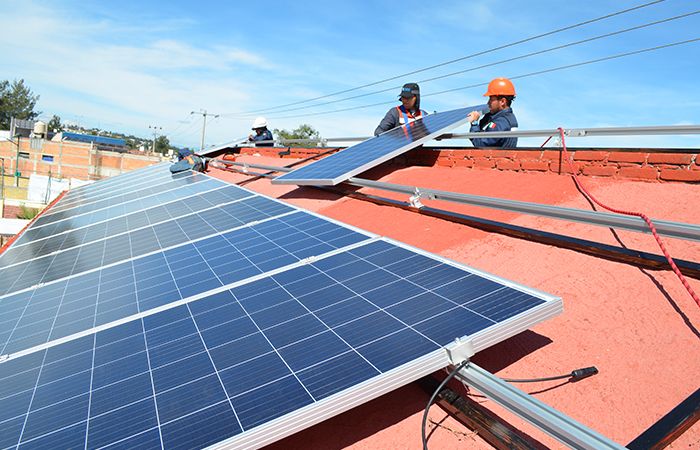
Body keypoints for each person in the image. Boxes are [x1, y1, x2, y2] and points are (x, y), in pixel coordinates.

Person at [467, 77, 518, 148]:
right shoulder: (504, 118)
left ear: (502, 101)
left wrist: (474, 123)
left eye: (491, 99)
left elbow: (481, 144)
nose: (488, 103)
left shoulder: (501, 122)